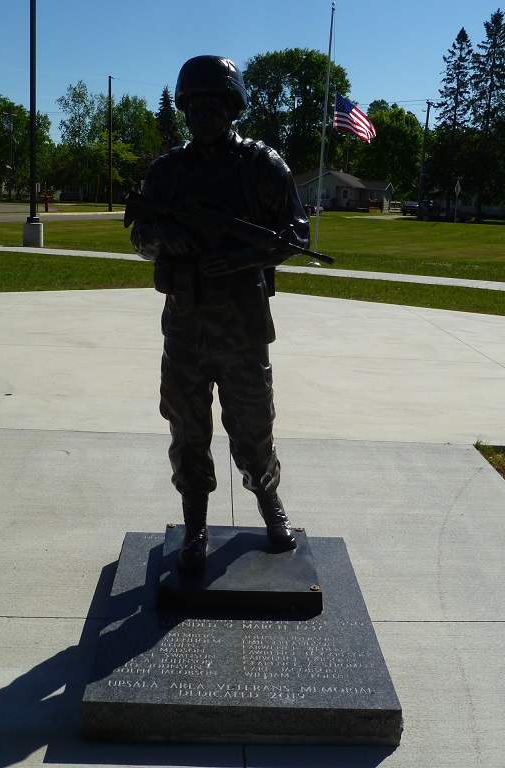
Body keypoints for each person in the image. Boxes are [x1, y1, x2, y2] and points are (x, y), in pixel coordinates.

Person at [129, 55, 310, 573]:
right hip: (185, 325)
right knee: (187, 430)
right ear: (184, 108)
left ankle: (270, 503)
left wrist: (238, 257)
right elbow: (140, 233)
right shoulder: (167, 172)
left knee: (253, 426)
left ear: (233, 108)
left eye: (217, 104)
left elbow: (294, 235)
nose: (206, 113)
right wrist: (166, 236)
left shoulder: (261, 166)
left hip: (243, 327)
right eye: (197, 104)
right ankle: (195, 524)